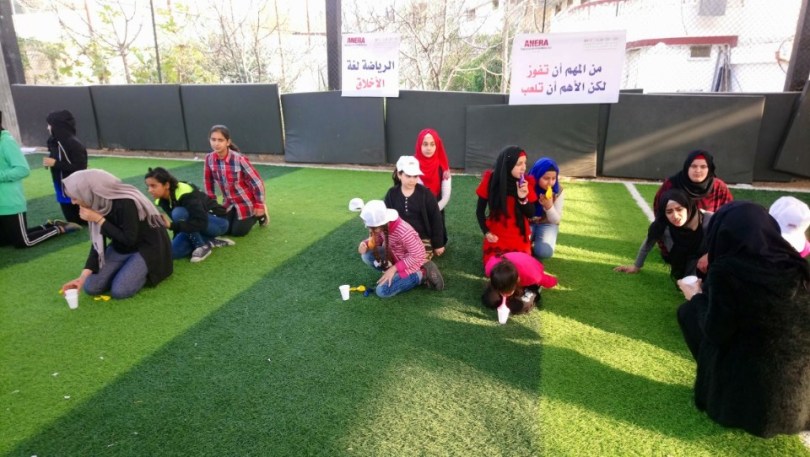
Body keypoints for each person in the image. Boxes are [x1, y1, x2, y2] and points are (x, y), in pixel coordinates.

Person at [675, 201, 810, 438]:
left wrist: (695, 296)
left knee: (688, 313)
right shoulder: (798, 265)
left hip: (747, 410)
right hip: (801, 402)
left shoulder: (727, 270)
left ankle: (720, 392)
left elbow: (715, 331)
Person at [60, 169, 173, 299]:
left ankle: (143, 270)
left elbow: (129, 239)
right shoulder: (96, 202)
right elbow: (97, 244)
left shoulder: (126, 202)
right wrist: (82, 277)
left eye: (75, 197)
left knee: (120, 291)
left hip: (147, 247)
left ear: (88, 192)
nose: (73, 202)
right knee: (91, 287)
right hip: (121, 246)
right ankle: (126, 269)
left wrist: (98, 219)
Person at [0, 116, 80, 248]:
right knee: (4, 241)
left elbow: (23, 170)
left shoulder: (6, 142)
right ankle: (49, 225)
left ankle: (59, 229)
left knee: (23, 242)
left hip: (10, 201)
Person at [350, 198, 444, 298]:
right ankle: (393, 272)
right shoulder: (382, 226)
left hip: (413, 264)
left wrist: (394, 269)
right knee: (367, 255)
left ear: (382, 223)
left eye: (373, 228)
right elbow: (378, 239)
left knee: (382, 291)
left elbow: (417, 255)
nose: (370, 230)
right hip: (395, 257)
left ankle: (423, 273)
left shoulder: (404, 231)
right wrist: (365, 244)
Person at [615, 189, 712, 279]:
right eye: (669, 212)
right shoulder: (663, 225)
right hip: (684, 261)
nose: (675, 216)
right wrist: (636, 266)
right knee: (689, 282)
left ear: (688, 207)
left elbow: (722, 245)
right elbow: (647, 245)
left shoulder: (709, 220)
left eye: (679, 209)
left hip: (710, 258)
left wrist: (708, 255)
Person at [145, 167, 234, 263]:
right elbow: (179, 224)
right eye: (148, 186)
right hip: (196, 227)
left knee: (179, 212)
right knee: (171, 252)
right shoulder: (161, 199)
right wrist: (175, 238)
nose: (149, 190)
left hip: (218, 222)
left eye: (153, 186)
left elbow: (201, 222)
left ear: (166, 185)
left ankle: (201, 246)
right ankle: (209, 241)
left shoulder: (185, 192)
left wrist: (171, 226)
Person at [653, 150, 732, 257]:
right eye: (693, 166)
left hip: (707, 241)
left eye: (703, 167)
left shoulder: (719, 187)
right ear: (687, 167)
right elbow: (659, 213)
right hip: (678, 240)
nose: (698, 170)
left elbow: (728, 216)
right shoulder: (671, 184)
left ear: (709, 168)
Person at [475, 145, 537, 265]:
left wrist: (522, 198)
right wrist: (486, 232)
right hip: (497, 234)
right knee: (496, 268)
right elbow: (479, 211)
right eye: (519, 164)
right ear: (508, 165)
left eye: (525, 163)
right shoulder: (491, 181)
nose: (524, 167)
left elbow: (531, 213)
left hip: (518, 233)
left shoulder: (525, 183)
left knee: (520, 268)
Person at [203, 125, 267, 237]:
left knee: (238, 232)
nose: (216, 143)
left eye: (220, 140)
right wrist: (212, 202)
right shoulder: (209, 158)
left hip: (246, 202)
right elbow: (208, 181)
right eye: (213, 139)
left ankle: (259, 215)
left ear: (228, 142)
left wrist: (259, 204)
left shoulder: (239, 159)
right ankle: (235, 214)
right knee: (225, 229)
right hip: (228, 202)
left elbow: (257, 182)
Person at [383, 156, 445, 259]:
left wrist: (438, 244)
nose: (412, 180)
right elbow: (385, 218)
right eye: (408, 176)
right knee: (388, 258)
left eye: (415, 176)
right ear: (399, 174)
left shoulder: (426, 194)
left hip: (422, 238)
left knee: (417, 261)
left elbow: (436, 219)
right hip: (398, 238)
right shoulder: (392, 193)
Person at [43, 109, 88, 225]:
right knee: (72, 220)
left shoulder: (73, 143)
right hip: (60, 185)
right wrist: (49, 162)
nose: (47, 128)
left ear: (58, 126)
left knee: (79, 221)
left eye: (49, 125)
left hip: (74, 189)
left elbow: (81, 167)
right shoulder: (53, 141)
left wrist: (55, 163)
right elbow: (56, 158)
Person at [482, 251, 558, 315]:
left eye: (507, 291)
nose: (504, 295)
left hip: (528, 272)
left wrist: (554, 282)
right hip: (509, 274)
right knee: (489, 301)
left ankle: (534, 291)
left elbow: (545, 279)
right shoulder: (490, 268)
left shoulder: (532, 276)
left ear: (517, 281)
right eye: (501, 291)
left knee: (517, 307)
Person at [414, 128, 451, 243]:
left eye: (432, 144)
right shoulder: (412, 164)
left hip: (437, 207)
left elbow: (445, 196)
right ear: (419, 145)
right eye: (425, 144)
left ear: (437, 146)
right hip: (416, 208)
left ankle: (437, 242)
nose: (429, 148)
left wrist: (433, 211)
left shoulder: (443, 167)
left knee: (437, 239)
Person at [528, 157, 564, 260]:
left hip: (547, 223)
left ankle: (536, 243)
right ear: (537, 175)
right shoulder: (526, 186)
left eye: (554, 178)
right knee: (518, 248)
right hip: (527, 222)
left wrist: (549, 207)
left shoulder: (558, 190)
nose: (550, 183)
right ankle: (529, 242)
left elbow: (556, 220)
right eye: (546, 178)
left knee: (544, 252)